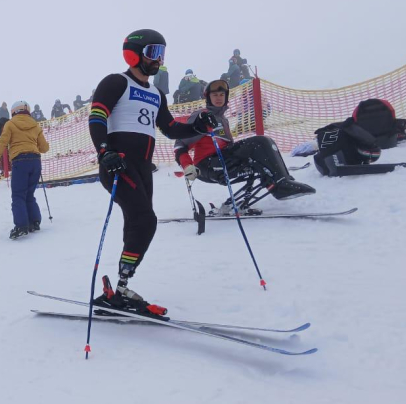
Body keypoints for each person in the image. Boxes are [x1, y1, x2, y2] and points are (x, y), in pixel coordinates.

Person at [89, 29, 216, 315]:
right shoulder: (115, 82)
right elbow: (97, 117)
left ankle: (118, 289)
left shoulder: (157, 94)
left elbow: (171, 128)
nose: (158, 60)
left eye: (161, 53)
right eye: (152, 52)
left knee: (137, 223)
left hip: (143, 167)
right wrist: (105, 152)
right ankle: (120, 290)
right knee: (145, 220)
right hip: (118, 163)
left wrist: (198, 126)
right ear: (133, 54)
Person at [174, 79, 315, 214]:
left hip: (222, 158)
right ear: (208, 98)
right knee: (260, 142)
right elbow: (180, 144)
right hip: (207, 165)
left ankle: (279, 182)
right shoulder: (202, 116)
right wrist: (187, 166)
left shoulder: (223, 119)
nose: (218, 98)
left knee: (263, 149)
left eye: (222, 95)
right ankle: (280, 185)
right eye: (215, 95)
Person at [0, 100, 50, 239]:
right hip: (35, 161)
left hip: (20, 161)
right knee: (29, 193)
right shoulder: (35, 125)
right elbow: (44, 148)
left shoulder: (10, 124)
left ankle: (21, 225)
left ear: (13, 111)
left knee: (18, 195)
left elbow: (3, 141)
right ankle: (34, 221)